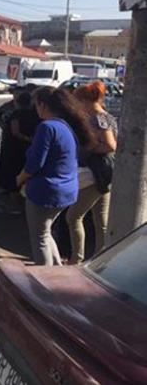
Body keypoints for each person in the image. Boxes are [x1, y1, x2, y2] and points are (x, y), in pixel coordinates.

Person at [16, 87, 96, 266]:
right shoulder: (66, 126)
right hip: (66, 190)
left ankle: (44, 278)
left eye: (36, 105)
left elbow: (35, 163)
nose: (36, 109)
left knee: (40, 238)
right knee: (46, 233)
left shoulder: (47, 127)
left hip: (46, 191)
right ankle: (56, 270)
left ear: (43, 105)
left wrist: (20, 178)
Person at [65, 82, 118, 263]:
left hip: (96, 172)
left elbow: (110, 145)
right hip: (104, 172)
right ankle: (100, 259)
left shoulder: (98, 118)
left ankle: (76, 259)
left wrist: (88, 147)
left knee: (73, 216)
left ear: (85, 100)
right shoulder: (105, 116)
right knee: (101, 219)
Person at [0, 91, 39, 193]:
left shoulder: (16, 114)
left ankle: (9, 188)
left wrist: (26, 138)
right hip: (27, 145)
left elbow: (15, 132)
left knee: (10, 168)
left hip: (14, 145)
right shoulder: (35, 114)